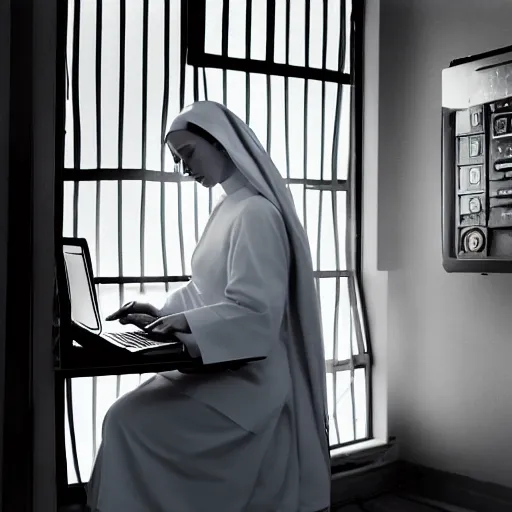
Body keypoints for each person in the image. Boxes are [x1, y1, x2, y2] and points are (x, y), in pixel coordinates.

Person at [86, 101, 331, 512]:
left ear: (220, 144)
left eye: (188, 154)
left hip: (249, 382)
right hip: (220, 367)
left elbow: (255, 314)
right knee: (124, 417)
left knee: (128, 421)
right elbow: (205, 290)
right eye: (178, 160)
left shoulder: (256, 213)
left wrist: (183, 321)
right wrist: (163, 314)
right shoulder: (229, 208)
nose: (185, 169)